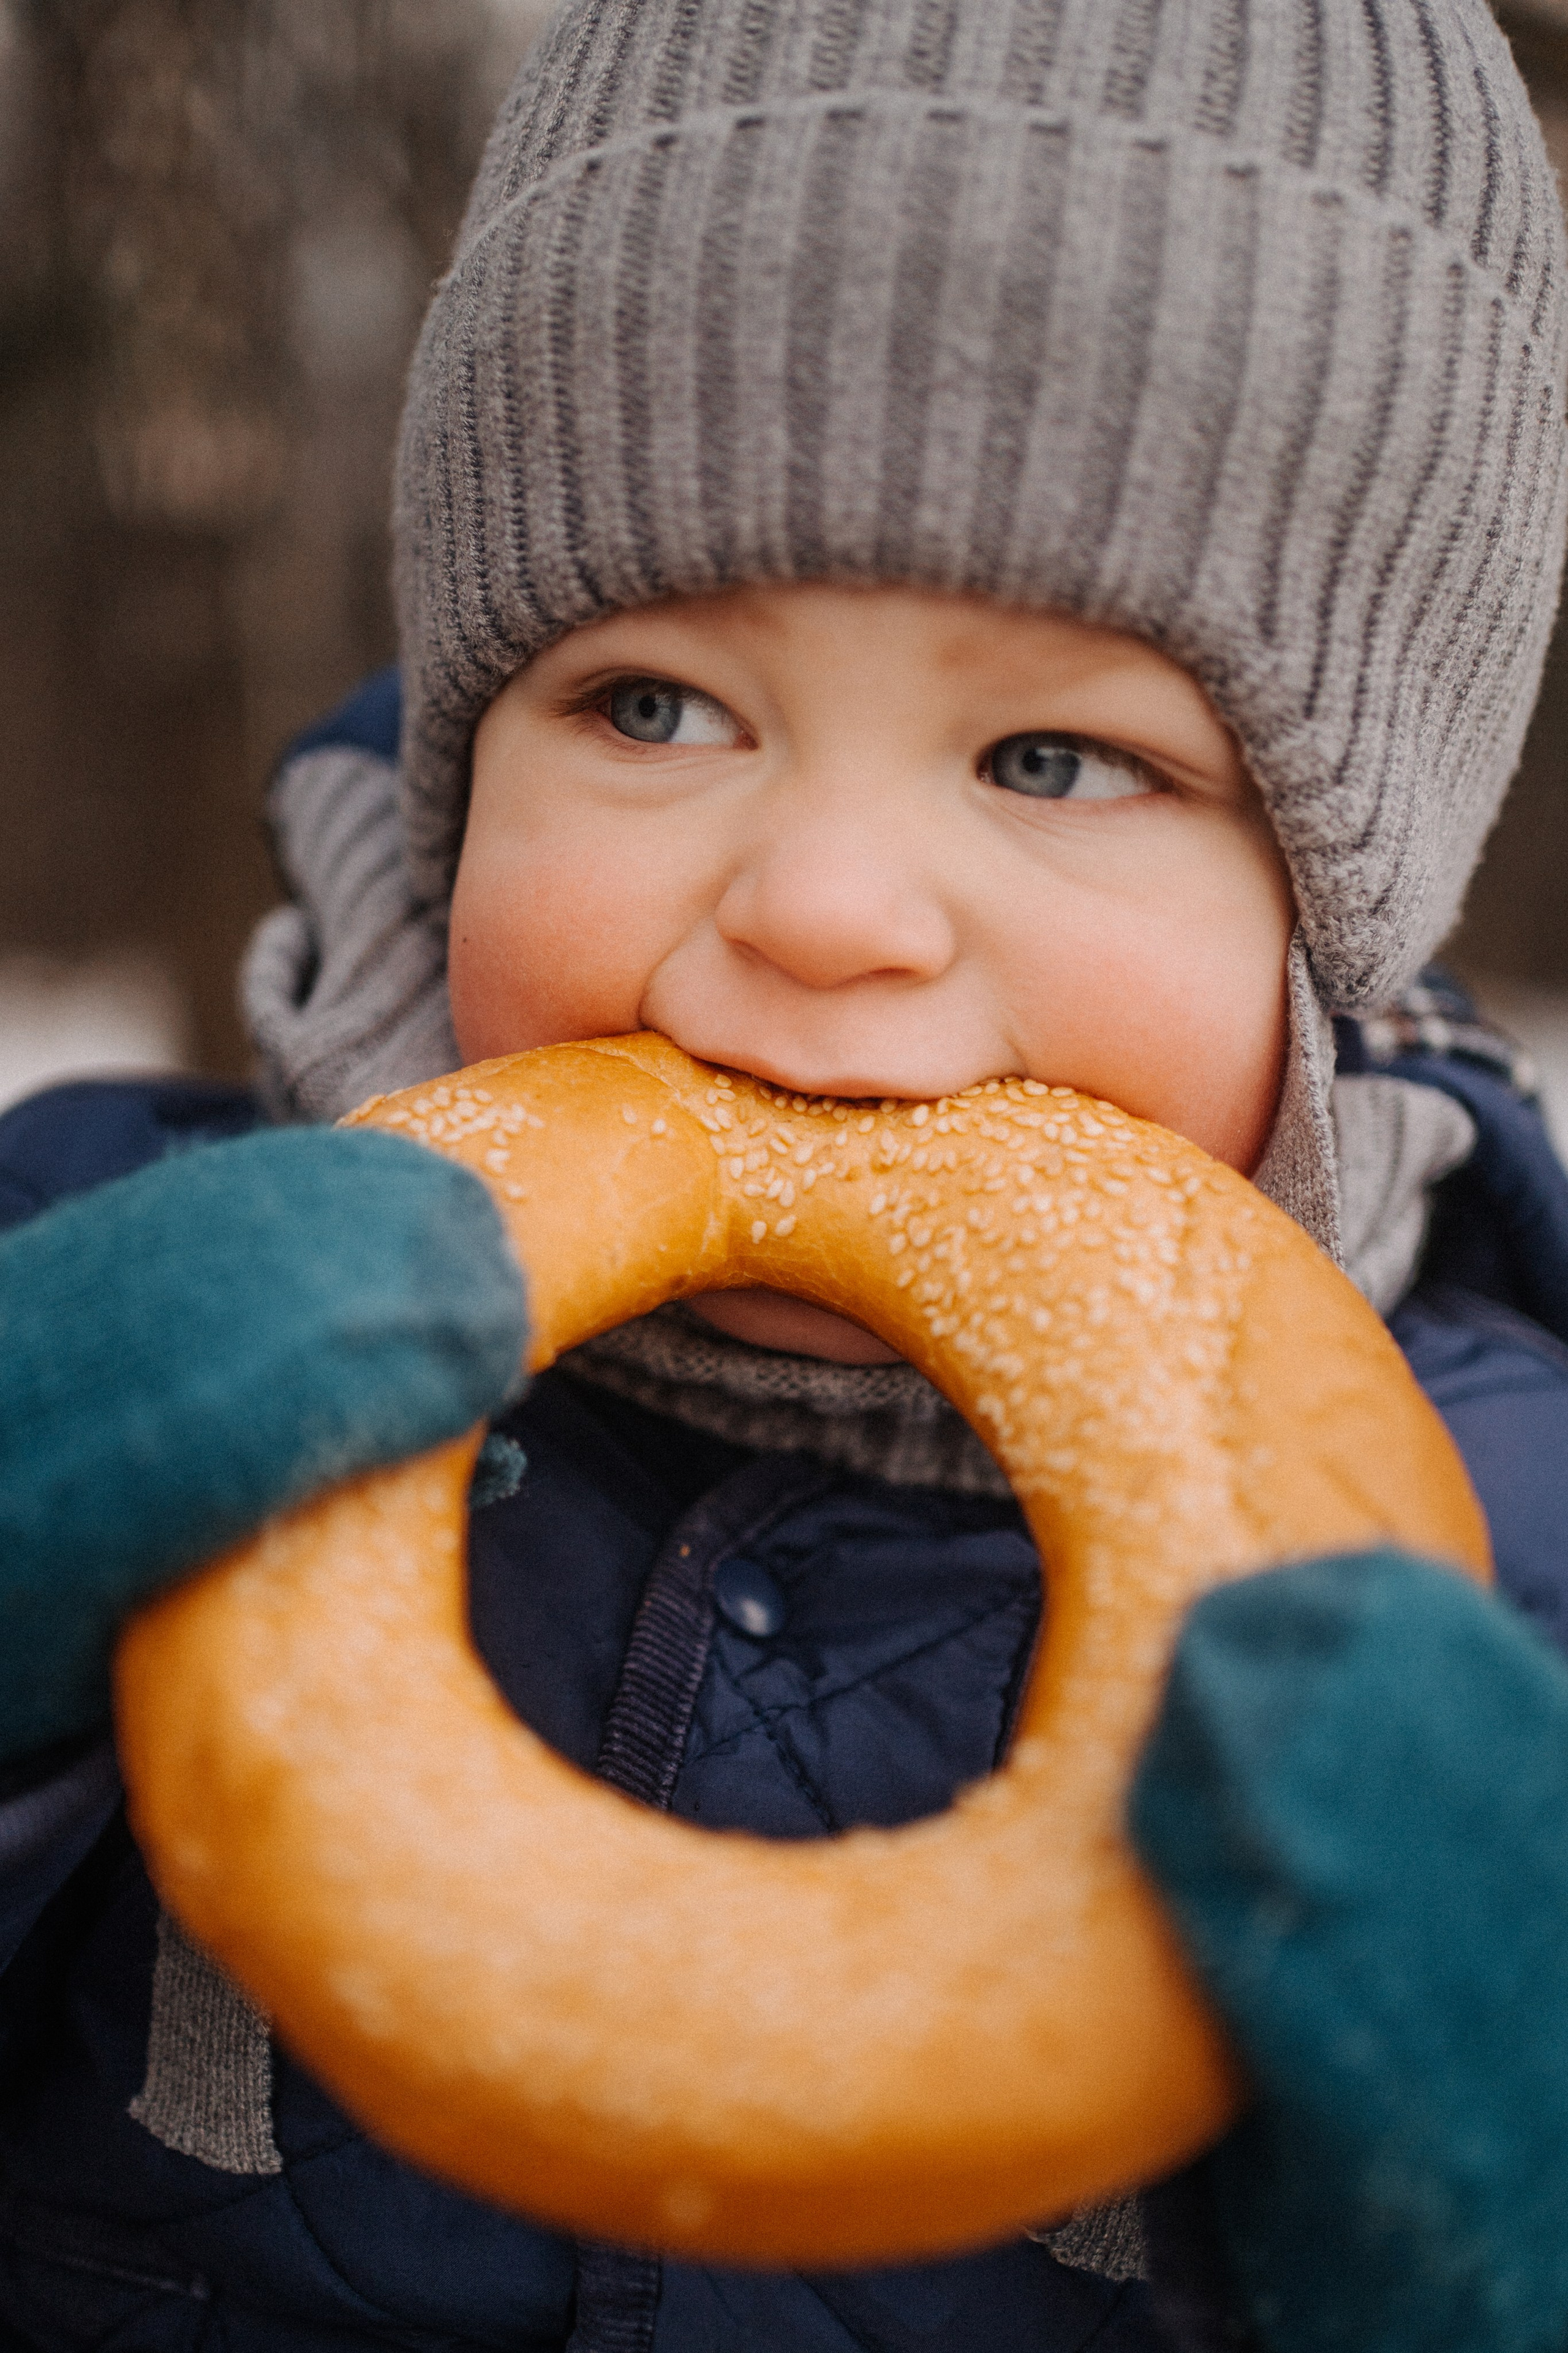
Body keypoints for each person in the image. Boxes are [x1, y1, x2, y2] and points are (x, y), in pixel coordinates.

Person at [5, 2, 1568, 2346]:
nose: (827, 906)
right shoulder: (108, 1307)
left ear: (1331, 907)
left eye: (1056, 753)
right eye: (651, 706)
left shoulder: (1510, 1567)